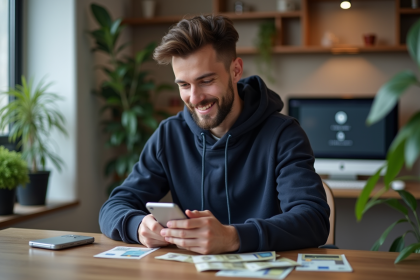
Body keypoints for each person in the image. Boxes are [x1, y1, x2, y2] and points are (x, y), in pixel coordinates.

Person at [99, 15, 330, 255]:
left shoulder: (284, 134)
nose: (195, 98)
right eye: (184, 85)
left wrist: (234, 237)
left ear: (236, 70)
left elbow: (313, 220)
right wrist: (137, 226)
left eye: (206, 81)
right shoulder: (170, 134)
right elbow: (113, 207)